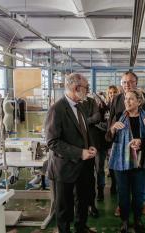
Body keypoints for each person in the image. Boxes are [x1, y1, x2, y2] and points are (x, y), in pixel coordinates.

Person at [45, 73, 97, 233]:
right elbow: (52, 141)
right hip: (65, 167)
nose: (88, 91)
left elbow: (84, 131)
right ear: (76, 88)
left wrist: (91, 146)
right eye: (86, 88)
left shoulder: (79, 106)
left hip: (83, 166)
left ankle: (81, 228)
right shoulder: (57, 109)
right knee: (64, 207)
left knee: (83, 201)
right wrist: (79, 153)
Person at [108, 71, 145, 216]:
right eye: (124, 82)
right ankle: (122, 206)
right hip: (122, 150)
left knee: (139, 184)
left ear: (136, 83)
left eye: (130, 82)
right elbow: (111, 121)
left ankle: (143, 202)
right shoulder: (116, 99)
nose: (127, 85)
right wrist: (112, 129)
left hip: (141, 148)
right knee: (123, 186)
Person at [106, 90, 145, 233]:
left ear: (139, 101)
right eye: (126, 99)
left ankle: (137, 220)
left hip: (140, 162)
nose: (127, 102)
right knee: (123, 194)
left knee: (139, 194)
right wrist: (112, 129)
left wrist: (141, 142)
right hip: (121, 162)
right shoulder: (119, 116)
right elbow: (107, 138)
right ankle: (124, 221)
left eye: (131, 99)